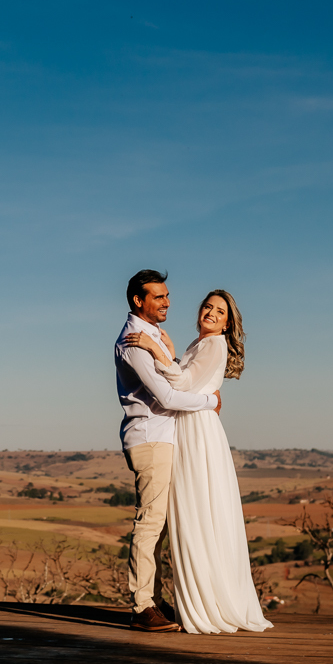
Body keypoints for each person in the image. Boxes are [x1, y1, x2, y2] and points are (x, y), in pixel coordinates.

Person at [123, 289, 273, 635]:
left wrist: (155, 349)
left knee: (199, 511)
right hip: (187, 426)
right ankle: (190, 599)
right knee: (191, 513)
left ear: (226, 324)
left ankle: (204, 601)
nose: (211, 313)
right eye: (208, 306)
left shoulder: (213, 344)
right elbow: (185, 381)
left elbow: (183, 385)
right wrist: (171, 354)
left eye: (219, 312)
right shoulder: (197, 343)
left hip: (196, 430)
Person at [115, 269, 222, 632]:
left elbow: (174, 377)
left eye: (167, 295)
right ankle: (141, 606)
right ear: (138, 300)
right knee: (149, 524)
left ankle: (154, 601)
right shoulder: (133, 341)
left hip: (164, 437)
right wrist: (211, 401)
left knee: (159, 528)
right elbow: (166, 396)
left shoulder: (153, 336)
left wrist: (166, 352)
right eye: (159, 297)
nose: (167, 302)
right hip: (150, 438)